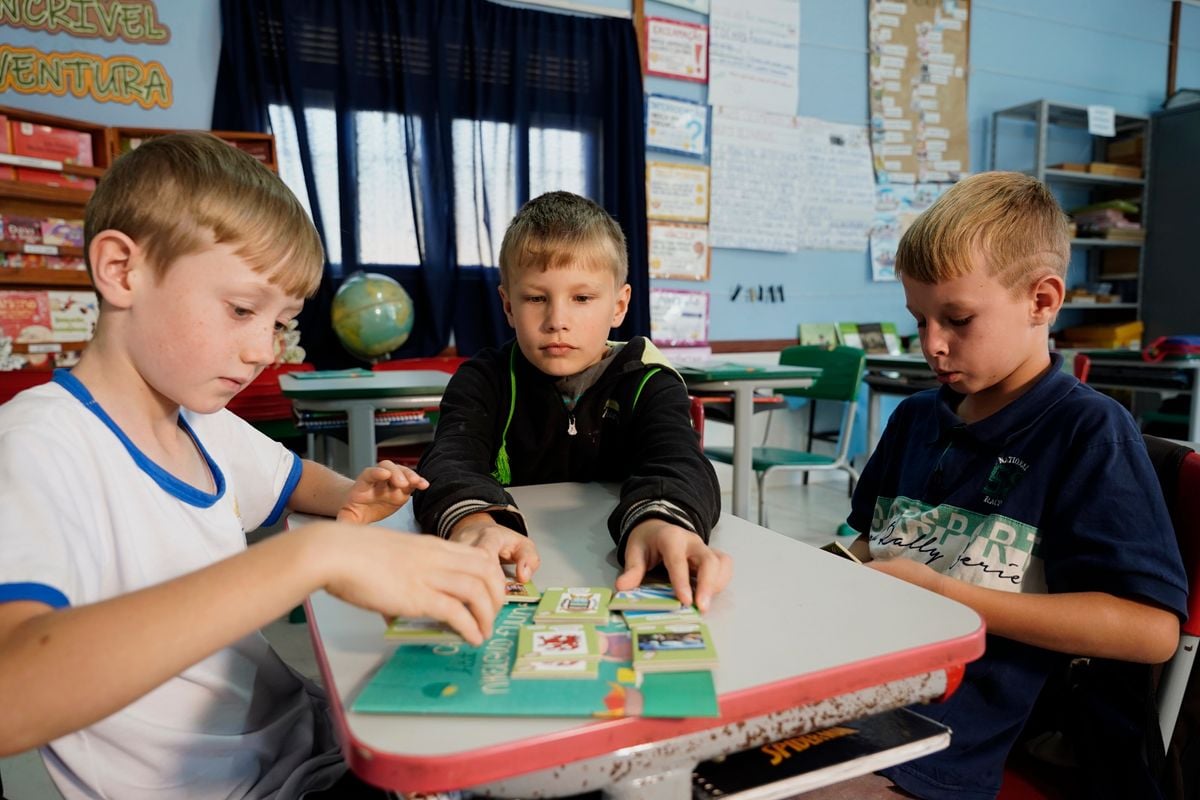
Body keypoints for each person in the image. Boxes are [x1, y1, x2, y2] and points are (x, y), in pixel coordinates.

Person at [0, 133, 506, 799]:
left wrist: (357, 494)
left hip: (314, 748)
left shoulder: (199, 420)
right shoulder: (38, 442)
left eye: (279, 323)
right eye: (241, 310)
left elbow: (296, 481)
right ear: (123, 271)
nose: (263, 351)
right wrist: (311, 558)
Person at [826, 172, 1189, 800]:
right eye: (920, 320)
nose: (932, 345)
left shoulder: (1088, 432)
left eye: (958, 319)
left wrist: (945, 595)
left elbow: (1151, 631)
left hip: (942, 736)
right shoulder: (916, 418)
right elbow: (870, 542)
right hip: (855, 679)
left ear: (1042, 301)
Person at [413, 191, 731, 612]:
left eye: (582, 298)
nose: (556, 320)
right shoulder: (483, 380)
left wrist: (661, 520)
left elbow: (679, 460)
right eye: (535, 298)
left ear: (619, 306)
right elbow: (449, 460)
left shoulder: (649, 381)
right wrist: (474, 523)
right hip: (508, 570)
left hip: (610, 573)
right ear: (508, 305)